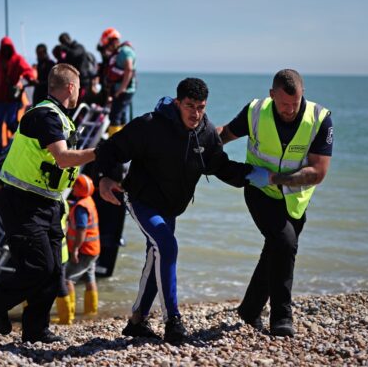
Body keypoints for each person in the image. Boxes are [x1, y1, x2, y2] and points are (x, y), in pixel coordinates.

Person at [95, 77, 261, 343]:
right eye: (190, 106)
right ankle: (173, 321)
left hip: (171, 207)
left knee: (158, 255)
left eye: (201, 107)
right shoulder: (150, 126)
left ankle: (137, 321)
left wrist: (256, 176)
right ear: (177, 102)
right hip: (141, 199)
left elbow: (219, 166)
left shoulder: (205, 133)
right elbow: (110, 149)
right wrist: (104, 177)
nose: (195, 113)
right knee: (167, 246)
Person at [0, 63, 96, 343]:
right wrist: (101, 152)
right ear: (70, 87)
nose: (81, 93)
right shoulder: (44, 115)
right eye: (79, 88)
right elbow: (63, 158)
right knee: (38, 267)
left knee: (55, 271)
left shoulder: (62, 118)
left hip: (49, 203)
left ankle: (35, 329)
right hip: (22, 201)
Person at [217, 69, 333, 337]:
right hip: (259, 192)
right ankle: (282, 317)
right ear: (272, 96)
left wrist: (274, 177)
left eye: (295, 103)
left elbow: (318, 173)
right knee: (284, 243)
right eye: (284, 104)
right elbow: (225, 134)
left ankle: (249, 310)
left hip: (295, 199)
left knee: (276, 250)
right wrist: (200, 144)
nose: (290, 109)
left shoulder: (320, 119)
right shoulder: (256, 111)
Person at [0, 37, 36, 153]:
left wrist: (24, 79)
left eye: (8, 48)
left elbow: (28, 71)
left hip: (12, 99)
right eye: (4, 48)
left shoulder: (17, 59)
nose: (6, 50)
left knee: (11, 121)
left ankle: (21, 139)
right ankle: (0, 150)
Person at [64, 174, 101, 321]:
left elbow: (81, 230)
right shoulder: (88, 201)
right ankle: (91, 313)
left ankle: (68, 315)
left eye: (74, 187)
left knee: (67, 278)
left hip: (83, 250)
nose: (72, 189)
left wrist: (75, 250)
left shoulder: (80, 208)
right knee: (89, 277)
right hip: (94, 249)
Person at [99, 27, 136, 136]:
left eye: (107, 45)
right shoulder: (117, 53)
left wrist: (122, 88)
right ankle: (123, 142)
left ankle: (114, 145)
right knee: (121, 116)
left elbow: (129, 68)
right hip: (120, 89)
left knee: (115, 116)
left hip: (124, 90)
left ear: (112, 42)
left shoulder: (125, 51)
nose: (107, 48)